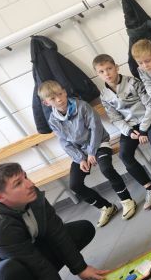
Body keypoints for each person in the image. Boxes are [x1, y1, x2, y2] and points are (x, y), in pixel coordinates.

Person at [93, 54, 151, 202]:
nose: (107, 74)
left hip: (150, 119)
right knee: (124, 155)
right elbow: (115, 118)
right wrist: (129, 131)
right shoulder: (104, 95)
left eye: (109, 69)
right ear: (97, 74)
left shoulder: (133, 82)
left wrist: (143, 129)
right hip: (130, 127)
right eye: (101, 71)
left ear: (116, 67)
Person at [39, 80, 132, 228]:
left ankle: (127, 200)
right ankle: (106, 207)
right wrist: (80, 159)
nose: (59, 99)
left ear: (65, 92)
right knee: (75, 184)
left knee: (106, 169)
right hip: (80, 153)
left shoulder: (82, 106)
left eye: (60, 94)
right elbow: (64, 142)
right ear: (46, 103)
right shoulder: (53, 120)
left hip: (99, 144)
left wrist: (91, 152)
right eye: (53, 98)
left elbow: (96, 128)